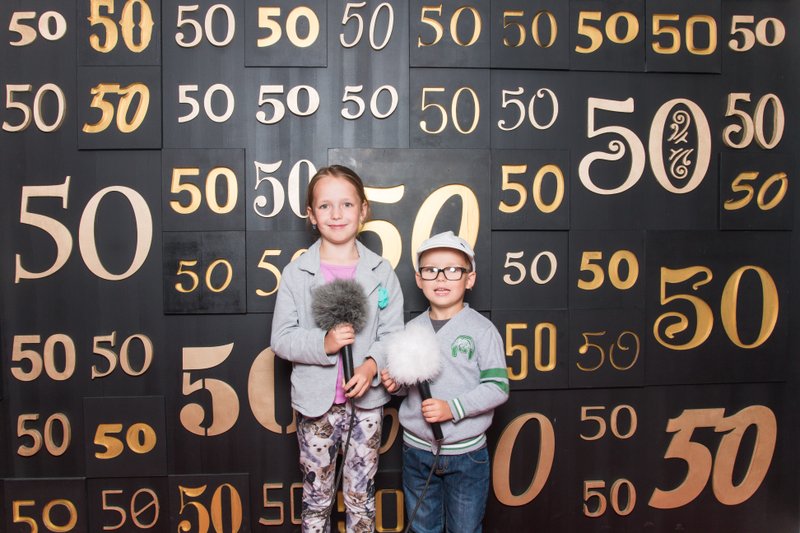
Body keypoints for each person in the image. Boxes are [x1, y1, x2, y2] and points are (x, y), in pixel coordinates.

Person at [271, 165, 404, 532]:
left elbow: (393, 334)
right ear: (312, 215)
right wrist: (324, 343)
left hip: (367, 407)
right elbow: (281, 339)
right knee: (317, 498)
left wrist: (370, 365)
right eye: (325, 206)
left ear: (363, 211)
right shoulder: (296, 274)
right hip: (316, 407)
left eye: (346, 204)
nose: (336, 214)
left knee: (361, 495)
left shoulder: (381, 272)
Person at [381, 231, 509, 533]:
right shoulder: (411, 329)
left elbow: (498, 388)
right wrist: (396, 384)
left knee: (465, 528)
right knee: (422, 527)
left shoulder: (482, 330)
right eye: (431, 270)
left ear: (469, 278)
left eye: (452, 270)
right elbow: (409, 385)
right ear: (419, 279)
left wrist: (453, 408)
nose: (441, 278)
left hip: (466, 455)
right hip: (417, 451)